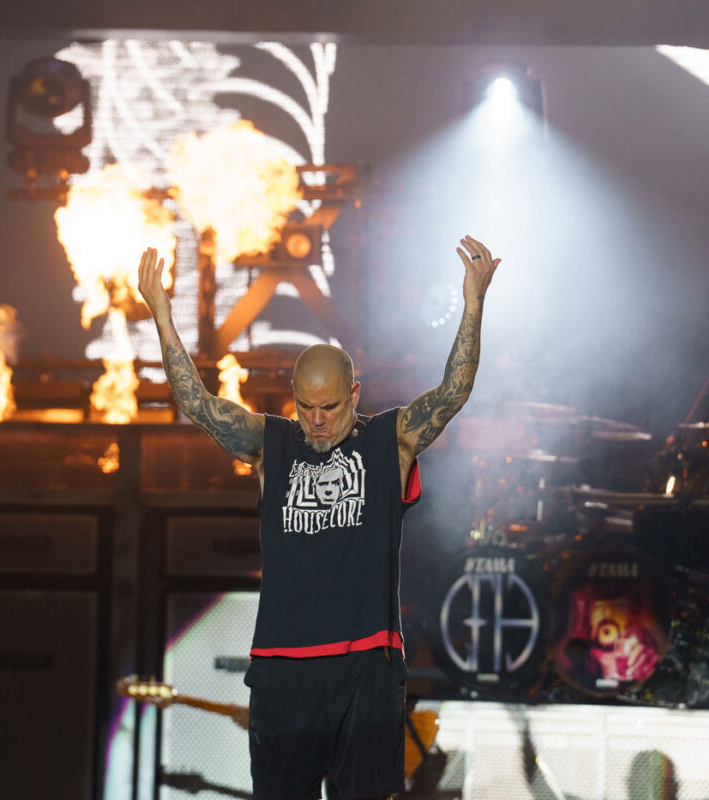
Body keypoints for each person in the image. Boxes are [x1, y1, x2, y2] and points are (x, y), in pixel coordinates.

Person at [137, 235, 500, 800]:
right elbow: (199, 406)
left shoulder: (389, 440)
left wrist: (474, 305)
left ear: (354, 395)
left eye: (329, 407)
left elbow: (454, 392)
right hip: (285, 669)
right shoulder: (271, 445)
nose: (317, 420)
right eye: (306, 408)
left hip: (365, 666)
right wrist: (162, 314)